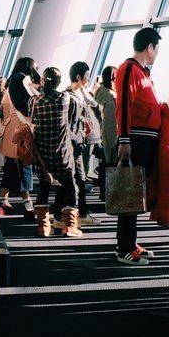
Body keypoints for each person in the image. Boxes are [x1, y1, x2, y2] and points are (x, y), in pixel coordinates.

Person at [113, 27, 163, 266]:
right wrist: (124, 140)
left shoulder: (142, 72)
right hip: (136, 139)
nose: (157, 54)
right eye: (157, 48)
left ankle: (130, 243)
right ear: (150, 47)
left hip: (144, 138)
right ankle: (124, 247)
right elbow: (123, 104)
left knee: (135, 194)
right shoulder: (129, 69)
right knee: (129, 194)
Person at [32, 67, 81, 237]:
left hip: (41, 155)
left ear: (43, 81)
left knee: (43, 187)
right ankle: (69, 226)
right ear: (59, 83)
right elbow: (72, 99)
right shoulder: (63, 99)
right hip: (62, 154)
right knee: (70, 187)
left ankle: (43, 226)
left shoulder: (34, 102)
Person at [0, 57, 39, 217]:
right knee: (24, 166)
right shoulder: (22, 80)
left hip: (11, 130)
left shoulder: (11, 83)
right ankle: (27, 204)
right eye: (35, 65)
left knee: (12, 168)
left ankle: (2, 200)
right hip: (20, 130)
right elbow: (29, 105)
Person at [65, 62, 99, 227]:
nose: (88, 79)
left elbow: (93, 104)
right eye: (86, 76)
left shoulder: (77, 94)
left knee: (78, 178)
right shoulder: (70, 97)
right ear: (79, 77)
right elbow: (68, 124)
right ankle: (76, 214)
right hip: (73, 144)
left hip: (77, 142)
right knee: (76, 178)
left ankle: (77, 214)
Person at [95, 65, 117, 201]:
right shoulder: (110, 98)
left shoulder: (100, 93)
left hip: (101, 134)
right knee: (111, 164)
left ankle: (104, 192)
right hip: (109, 136)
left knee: (105, 163)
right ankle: (108, 193)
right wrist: (114, 141)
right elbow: (111, 123)